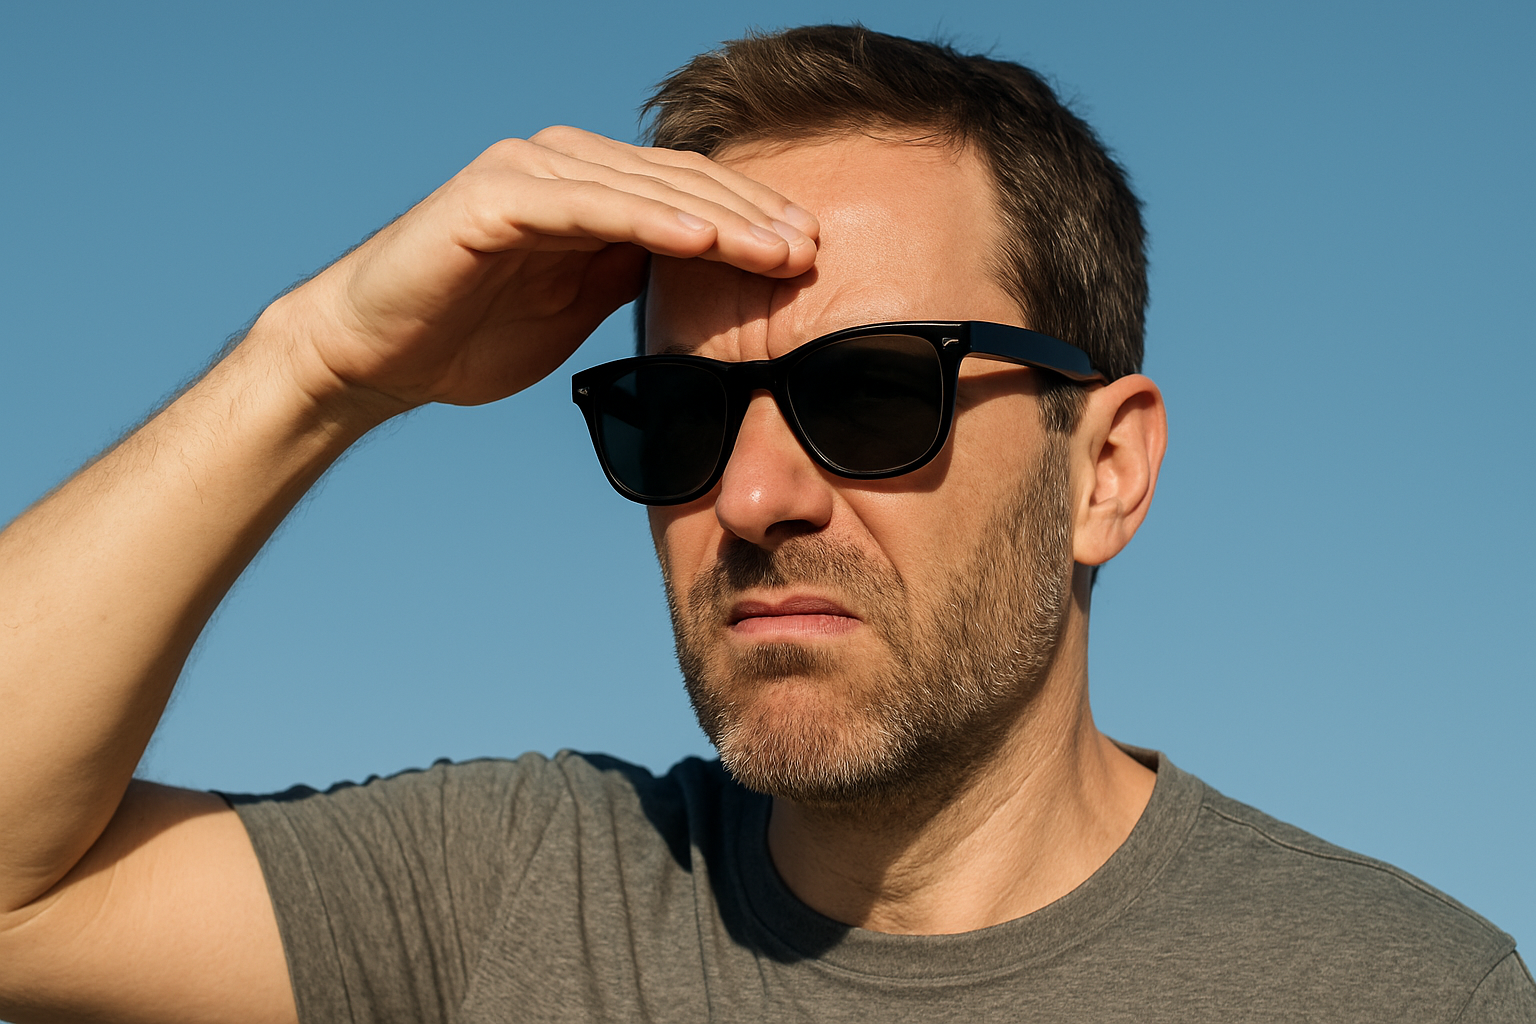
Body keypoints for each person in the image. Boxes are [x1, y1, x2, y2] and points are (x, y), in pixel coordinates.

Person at [0, 23, 1528, 1024]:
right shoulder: (519, 900)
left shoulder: (1400, 992)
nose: (751, 497)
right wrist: (320, 363)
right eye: (676, 418)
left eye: (873, 397)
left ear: (1104, 472)